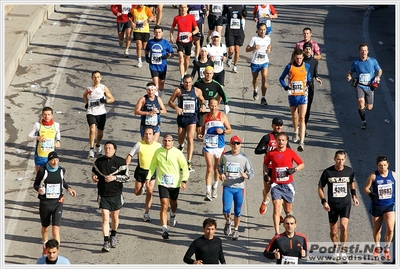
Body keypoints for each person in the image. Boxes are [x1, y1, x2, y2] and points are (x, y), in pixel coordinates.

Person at [318, 150, 360, 262]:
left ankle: (343, 250)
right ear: (334, 159)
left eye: (342, 159)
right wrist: (324, 201)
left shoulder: (349, 171)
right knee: (333, 231)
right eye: (338, 159)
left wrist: (354, 196)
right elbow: (320, 188)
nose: (340, 162)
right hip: (332, 205)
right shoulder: (328, 172)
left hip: (345, 203)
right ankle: (335, 248)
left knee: (344, 227)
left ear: (345, 159)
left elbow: (351, 182)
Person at [145, 134, 189, 240]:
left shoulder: (178, 153)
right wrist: (148, 177)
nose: (167, 143)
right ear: (163, 141)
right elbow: (152, 165)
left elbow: (185, 167)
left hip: (175, 183)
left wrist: (184, 180)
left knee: (173, 203)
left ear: (172, 142)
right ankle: (164, 229)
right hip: (162, 182)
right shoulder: (158, 152)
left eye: (169, 141)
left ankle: (173, 214)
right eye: (165, 140)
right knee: (164, 205)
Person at [33, 152, 77, 256]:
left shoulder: (62, 170)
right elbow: (35, 184)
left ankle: (56, 251)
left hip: (57, 203)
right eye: (52, 160)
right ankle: (45, 246)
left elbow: (62, 181)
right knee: (46, 228)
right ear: (49, 161)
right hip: (45, 203)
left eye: (56, 160)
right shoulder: (43, 171)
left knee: (56, 229)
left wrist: (68, 188)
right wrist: (39, 189)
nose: (54, 162)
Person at [92, 141, 130, 252]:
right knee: (105, 217)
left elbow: (127, 177)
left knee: (114, 217)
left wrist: (115, 178)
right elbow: (94, 174)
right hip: (103, 194)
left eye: (109, 148)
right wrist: (94, 178)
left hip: (116, 194)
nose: (107, 150)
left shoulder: (121, 162)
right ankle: (105, 241)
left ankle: (113, 235)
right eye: (106, 148)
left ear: (114, 150)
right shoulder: (99, 162)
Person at [263, 132, 304, 235]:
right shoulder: (271, 153)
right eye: (279, 140)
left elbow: (302, 164)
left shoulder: (291, 152)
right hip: (276, 184)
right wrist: (266, 173)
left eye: (283, 140)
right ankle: (277, 234)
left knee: (288, 209)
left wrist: (294, 170)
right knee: (276, 207)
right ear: (276, 141)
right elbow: (265, 164)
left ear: (286, 141)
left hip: (288, 185)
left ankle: (289, 228)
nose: (281, 142)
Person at [218, 135, 254, 240]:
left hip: (239, 188)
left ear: (241, 145)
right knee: (226, 210)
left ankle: (236, 230)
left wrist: (246, 176)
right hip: (227, 187)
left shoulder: (244, 158)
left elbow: (251, 172)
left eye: (238, 144)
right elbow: (219, 166)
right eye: (233, 143)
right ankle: (228, 222)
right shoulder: (225, 156)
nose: (235, 146)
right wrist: (221, 174)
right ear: (230, 144)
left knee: (238, 211)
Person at [168, 74, 207, 172]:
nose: (188, 84)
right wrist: (176, 107)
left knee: (190, 138)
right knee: (181, 139)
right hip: (182, 117)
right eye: (186, 82)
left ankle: (188, 162)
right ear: (183, 82)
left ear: (192, 82)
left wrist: (203, 105)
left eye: (189, 82)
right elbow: (170, 102)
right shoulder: (178, 90)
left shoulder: (197, 91)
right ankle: (181, 145)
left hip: (192, 117)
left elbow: (202, 99)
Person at [198, 98, 232, 201]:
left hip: (219, 146)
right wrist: (200, 134)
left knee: (217, 169)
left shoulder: (222, 116)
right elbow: (203, 129)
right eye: (211, 105)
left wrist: (223, 131)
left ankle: (215, 187)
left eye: (215, 106)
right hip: (208, 145)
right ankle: (207, 192)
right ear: (209, 106)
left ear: (218, 106)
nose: (213, 108)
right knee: (209, 168)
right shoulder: (205, 116)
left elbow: (230, 130)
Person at [279, 48, 312, 152]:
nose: (299, 60)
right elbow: (281, 78)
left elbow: (309, 76)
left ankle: (301, 142)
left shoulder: (306, 66)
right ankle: (295, 130)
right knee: (294, 115)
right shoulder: (289, 66)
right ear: (294, 57)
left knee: (302, 117)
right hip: (293, 95)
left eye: (301, 58)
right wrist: (285, 86)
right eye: (297, 58)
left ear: (303, 58)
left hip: (303, 95)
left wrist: (309, 82)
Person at [254, 117, 289, 215]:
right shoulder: (267, 137)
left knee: (279, 191)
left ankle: (279, 214)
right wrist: (267, 150)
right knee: (267, 190)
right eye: (277, 125)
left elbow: (289, 151)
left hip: (279, 168)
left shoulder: (284, 138)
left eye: (280, 125)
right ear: (272, 125)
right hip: (268, 167)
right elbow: (257, 150)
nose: (279, 127)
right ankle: (265, 201)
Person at [363, 155, 395, 261]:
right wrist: (371, 194)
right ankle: (377, 247)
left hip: (389, 206)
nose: (383, 168)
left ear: (388, 165)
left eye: (385, 165)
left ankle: (387, 248)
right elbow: (366, 189)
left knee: (390, 228)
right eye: (380, 166)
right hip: (377, 206)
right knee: (377, 230)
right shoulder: (373, 175)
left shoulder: (394, 175)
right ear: (377, 166)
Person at [126, 127, 161, 222]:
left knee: (150, 192)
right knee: (137, 193)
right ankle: (142, 189)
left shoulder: (158, 146)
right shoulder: (139, 144)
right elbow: (130, 155)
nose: (148, 136)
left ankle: (146, 213)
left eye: (150, 134)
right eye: (146, 134)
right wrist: (125, 167)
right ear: (143, 135)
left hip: (151, 171)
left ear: (154, 136)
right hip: (140, 171)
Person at [346, 43, 382, 130]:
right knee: (360, 101)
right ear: (359, 52)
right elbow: (350, 71)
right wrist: (349, 76)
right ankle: (363, 121)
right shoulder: (356, 62)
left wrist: (378, 76)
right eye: (362, 50)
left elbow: (379, 70)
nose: (364, 52)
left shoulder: (373, 61)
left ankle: (363, 108)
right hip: (360, 85)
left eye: (365, 50)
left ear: (368, 51)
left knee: (369, 107)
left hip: (370, 86)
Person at [83, 70, 115, 158]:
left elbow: (112, 98)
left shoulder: (103, 88)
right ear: (92, 78)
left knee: (100, 132)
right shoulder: (89, 88)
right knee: (92, 129)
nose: (96, 79)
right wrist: (86, 103)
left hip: (101, 113)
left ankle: (98, 145)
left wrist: (105, 101)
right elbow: (84, 95)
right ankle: (91, 149)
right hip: (91, 112)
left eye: (98, 77)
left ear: (101, 78)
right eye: (94, 77)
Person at [194, 66, 230, 137]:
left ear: (213, 74)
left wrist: (226, 104)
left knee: (211, 125)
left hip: (212, 108)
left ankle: (209, 138)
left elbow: (223, 94)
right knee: (199, 129)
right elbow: (192, 93)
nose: (208, 75)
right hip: (201, 108)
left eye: (210, 73)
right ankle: (201, 135)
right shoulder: (198, 83)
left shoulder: (216, 84)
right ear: (204, 73)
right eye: (207, 73)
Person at [170, 4, 199, 83]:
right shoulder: (176, 18)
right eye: (182, 7)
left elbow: (197, 29)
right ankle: (182, 77)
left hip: (188, 41)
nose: (183, 9)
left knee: (187, 59)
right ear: (179, 8)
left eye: (185, 7)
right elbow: (172, 29)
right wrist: (171, 37)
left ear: (187, 8)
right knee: (180, 58)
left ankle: (185, 72)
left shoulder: (191, 17)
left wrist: (191, 33)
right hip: (179, 41)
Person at [28, 106, 61, 173]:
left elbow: (58, 134)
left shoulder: (56, 125)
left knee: (52, 174)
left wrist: (58, 141)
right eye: (45, 114)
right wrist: (37, 137)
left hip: (51, 155)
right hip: (40, 155)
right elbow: (28, 137)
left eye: (49, 114)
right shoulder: (38, 125)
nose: (47, 116)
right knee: (39, 175)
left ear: (52, 115)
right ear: (42, 115)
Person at [245, 22, 271, 105]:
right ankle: (255, 90)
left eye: (264, 30)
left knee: (264, 79)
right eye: (261, 30)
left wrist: (269, 49)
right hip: (255, 62)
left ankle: (263, 97)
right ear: (258, 31)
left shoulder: (268, 38)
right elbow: (247, 49)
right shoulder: (254, 39)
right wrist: (254, 47)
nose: (263, 32)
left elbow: (269, 45)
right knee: (255, 79)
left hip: (264, 62)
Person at [145, 25, 174, 97]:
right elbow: (146, 49)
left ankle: (159, 98)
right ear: (154, 33)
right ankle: (156, 101)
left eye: (159, 32)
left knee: (161, 84)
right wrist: (146, 57)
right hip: (153, 66)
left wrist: (168, 55)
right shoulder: (150, 42)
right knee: (155, 85)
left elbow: (172, 53)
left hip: (162, 66)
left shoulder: (166, 43)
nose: (157, 34)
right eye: (156, 32)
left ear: (162, 33)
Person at [302, 42, 322, 136]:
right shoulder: (299, 60)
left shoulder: (315, 61)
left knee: (308, 108)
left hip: (310, 86)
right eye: (306, 49)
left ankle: (304, 126)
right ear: (303, 50)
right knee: (300, 108)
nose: (308, 50)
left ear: (312, 50)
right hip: (300, 87)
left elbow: (315, 72)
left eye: (309, 49)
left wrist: (317, 78)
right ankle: (300, 125)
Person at [222, 5, 247, 73]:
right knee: (231, 49)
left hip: (239, 29)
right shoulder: (227, 5)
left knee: (237, 49)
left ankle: (235, 66)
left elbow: (244, 15)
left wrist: (243, 14)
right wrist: (225, 20)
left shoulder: (242, 4)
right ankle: (230, 57)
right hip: (230, 30)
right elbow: (223, 15)